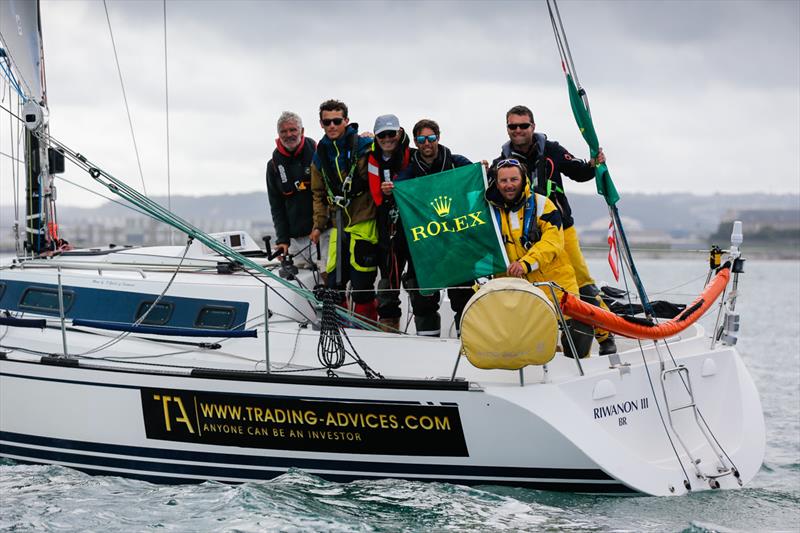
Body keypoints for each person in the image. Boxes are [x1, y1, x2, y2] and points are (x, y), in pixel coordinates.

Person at [497, 105, 617, 355]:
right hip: (524, 237)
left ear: (533, 126)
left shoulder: (551, 150)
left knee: (582, 283)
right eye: (513, 126)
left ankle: (605, 335)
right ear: (507, 128)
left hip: (559, 228)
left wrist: (594, 163)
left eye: (523, 125)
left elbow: (580, 173)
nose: (518, 130)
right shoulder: (501, 163)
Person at [486, 158, 593, 358]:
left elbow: (552, 243)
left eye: (514, 179)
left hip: (556, 284)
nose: (509, 185)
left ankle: (575, 373)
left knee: (580, 333)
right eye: (504, 181)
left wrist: (526, 264)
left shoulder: (543, 204)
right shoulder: (489, 211)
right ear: (496, 182)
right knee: (530, 339)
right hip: (516, 288)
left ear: (523, 179)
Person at [396, 119, 473, 335]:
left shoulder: (457, 163)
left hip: (456, 244)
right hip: (426, 248)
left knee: (462, 298)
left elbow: (478, 177)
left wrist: (484, 169)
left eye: (431, 138)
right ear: (416, 142)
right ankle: (427, 346)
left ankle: (465, 344)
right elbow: (398, 188)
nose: (426, 143)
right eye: (421, 139)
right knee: (423, 302)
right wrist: (390, 189)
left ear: (438, 138)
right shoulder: (410, 172)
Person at [367, 114, 441, 336]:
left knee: (423, 286)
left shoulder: (414, 154)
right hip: (389, 229)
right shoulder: (372, 158)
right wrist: (388, 193)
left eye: (392, 133)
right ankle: (390, 338)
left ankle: (429, 340)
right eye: (382, 134)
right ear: (376, 137)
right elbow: (376, 195)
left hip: (418, 228)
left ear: (399, 133)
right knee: (388, 285)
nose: (387, 138)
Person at [309, 99, 378, 322]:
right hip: (338, 222)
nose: (332, 126)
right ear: (321, 124)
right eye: (326, 122)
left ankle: (366, 331)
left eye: (336, 121)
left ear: (346, 121)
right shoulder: (320, 155)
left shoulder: (365, 146)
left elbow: (393, 152)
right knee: (334, 282)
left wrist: (375, 140)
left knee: (362, 283)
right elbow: (318, 194)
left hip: (364, 218)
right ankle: (340, 331)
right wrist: (318, 225)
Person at [266, 111, 328, 275]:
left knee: (328, 275)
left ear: (302, 131)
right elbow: (276, 206)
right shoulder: (273, 166)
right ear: (278, 134)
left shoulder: (318, 153)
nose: (289, 135)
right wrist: (282, 240)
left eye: (293, 130)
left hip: (322, 233)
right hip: (295, 240)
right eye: (284, 131)